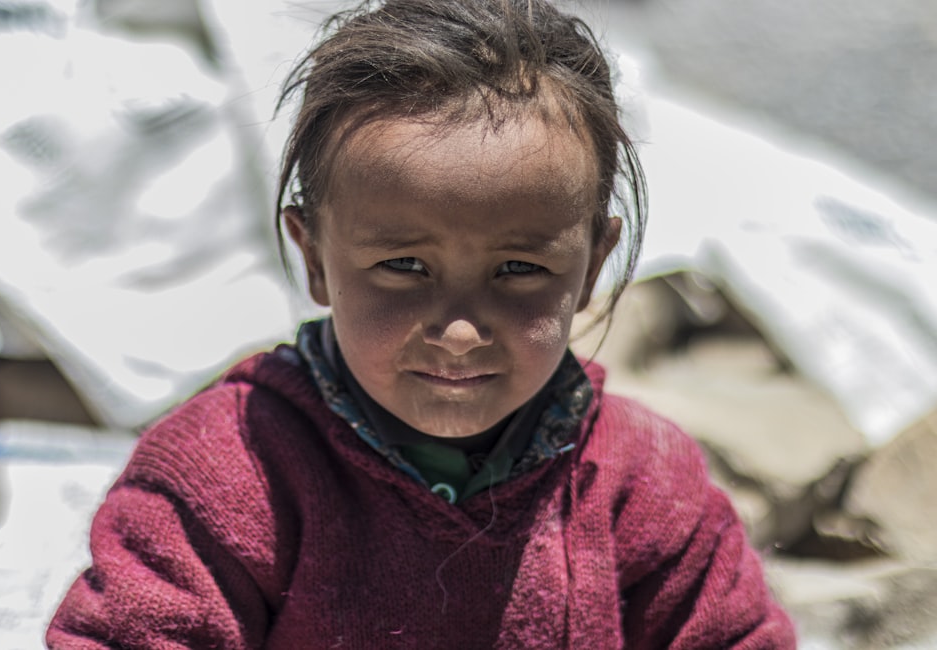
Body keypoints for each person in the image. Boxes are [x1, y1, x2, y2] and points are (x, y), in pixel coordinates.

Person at [47, 0, 796, 647]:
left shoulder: (641, 480)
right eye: (404, 268)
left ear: (593, 264)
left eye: (519, 271)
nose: (461, 332)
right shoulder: (227, 477)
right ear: (313, 257)